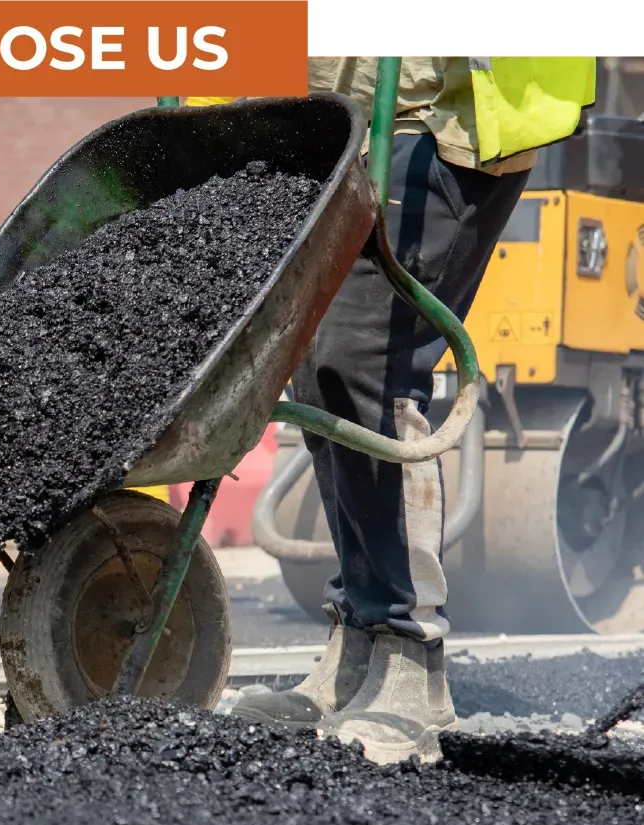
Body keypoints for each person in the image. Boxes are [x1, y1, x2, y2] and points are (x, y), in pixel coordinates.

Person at [217, 57, 597, 763]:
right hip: (342, 119)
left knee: (373, 369)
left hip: (447, 116)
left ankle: (410, 656)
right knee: (320, 369)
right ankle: (355, 647)